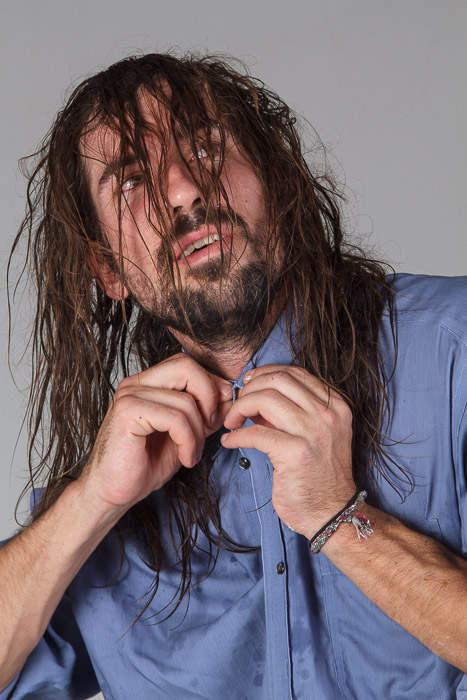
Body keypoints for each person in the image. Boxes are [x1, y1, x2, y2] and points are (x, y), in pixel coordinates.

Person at [1, 52, 467, 700]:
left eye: (205, 146)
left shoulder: (453, 351)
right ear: (106, 270)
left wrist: (341, 520)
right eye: (131, 181)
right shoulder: (114, 489)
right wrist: (90, 504)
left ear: (273, 177)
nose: (183, 190)